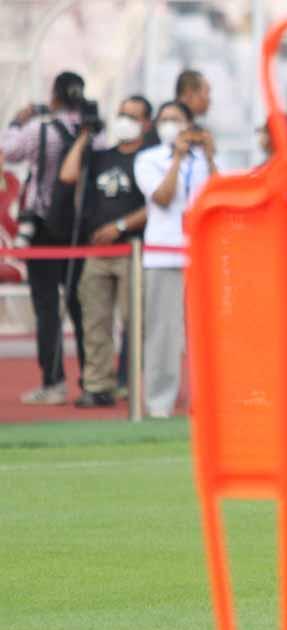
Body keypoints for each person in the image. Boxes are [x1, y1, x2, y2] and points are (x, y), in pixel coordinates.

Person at [1, 71, 100, 405]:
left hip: (42, 226)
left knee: (46, 306)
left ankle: (53, 382)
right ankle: (93, 380)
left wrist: (17, 122)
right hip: (79, 228)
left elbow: (8, 151)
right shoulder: (94, 132)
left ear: (55, 96)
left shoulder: (39, 129)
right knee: (80, 305)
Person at [59, 95, 153, 407]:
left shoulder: (148, 160)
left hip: (131, 250)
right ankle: (98, 385)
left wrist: (121, 226)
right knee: (95, 322)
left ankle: (136, 384)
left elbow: (156, 204)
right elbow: (68, 175)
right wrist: (84, 136)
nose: (125, 120)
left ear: (145, 124)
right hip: (96, 252)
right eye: (122, 114)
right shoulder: (101, 156)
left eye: (133, 116)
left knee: (134, 321)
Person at [134, 100, 217, 418]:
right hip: (163, 254)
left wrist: (209, 156)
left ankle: (206, 401)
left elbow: (219, 195)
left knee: (207, 333)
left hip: (202, 256)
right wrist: (178, 158)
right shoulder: (148, 159)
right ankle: (160, 404)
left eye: (176, 119)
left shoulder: (206, 158)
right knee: (163, 334)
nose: (169, 125)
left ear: (190, 124)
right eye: (164, 119)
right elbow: (163, 197)